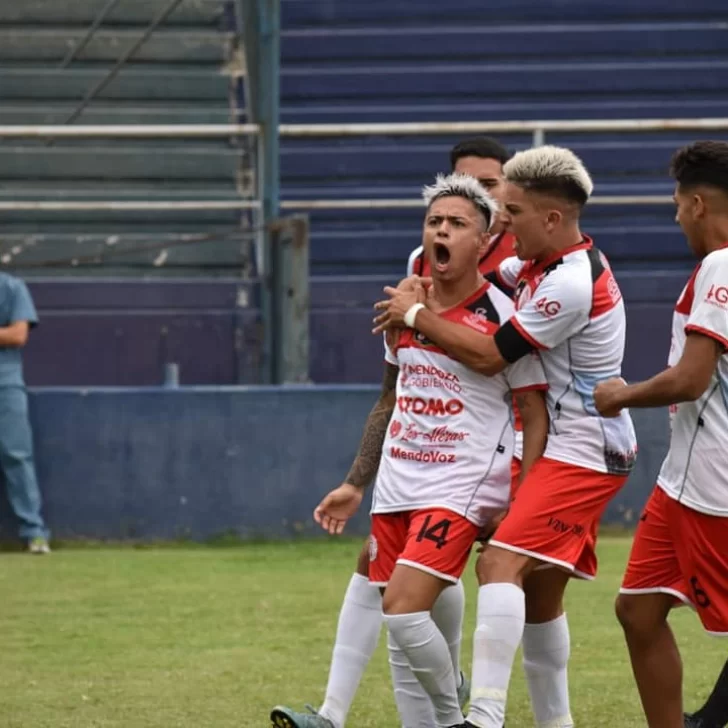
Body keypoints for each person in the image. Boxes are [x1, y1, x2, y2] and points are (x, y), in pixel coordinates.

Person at [270, 136, 532, 728]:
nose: (442, 230)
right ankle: (425, 716)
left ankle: (459, 707)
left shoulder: (502, 312)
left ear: (485, 239)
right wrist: (355, 482)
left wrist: (519, 488)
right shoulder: (403, 305)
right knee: (399, 619)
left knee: (402, 610)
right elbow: (390, 397)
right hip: (400, 480)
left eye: (457, 222)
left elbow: (525, 401)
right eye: (434, 220)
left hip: (461, 483)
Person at [374, 146, 637, 728]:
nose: (501, 224)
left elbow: (493, 354)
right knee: (540, 600)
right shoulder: (534, 264)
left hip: (585, 445)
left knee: (498, 565)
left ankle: (484, 715)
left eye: (510, 211)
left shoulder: (568, 282)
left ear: (551, 219)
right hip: (568, 440)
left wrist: (415, 316)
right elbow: (476, 285)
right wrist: (424, 287)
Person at [593, 140, 728, 728]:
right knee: (639, 611)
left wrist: (620, 393)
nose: (675, 217)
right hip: (679, 482)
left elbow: (691, 379)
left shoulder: (721, 266)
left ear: (698, 204)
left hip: (714, 486)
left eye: (677, 205)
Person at [0, 272, 50, 553]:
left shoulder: (13, 287)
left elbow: (18, 335)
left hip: (5, 384)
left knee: (16, 455)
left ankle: (35, 532)